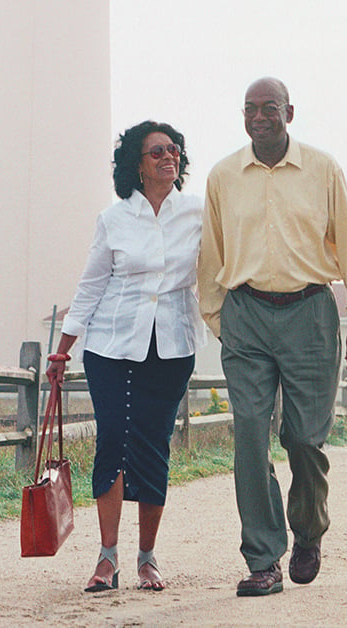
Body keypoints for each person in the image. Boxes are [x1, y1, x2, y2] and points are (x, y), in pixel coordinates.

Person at [198, 77, 347, 596]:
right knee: (251, 436)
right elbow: (210, 257)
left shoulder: (323, 169)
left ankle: (308, 529)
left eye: (270, 108)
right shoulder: (222, 176)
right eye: (251, 109)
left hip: (311, 314)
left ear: (289, 113)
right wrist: (222, 319)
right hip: (247, 314)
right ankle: (262, 558)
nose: (260, 117)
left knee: (303, 438)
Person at [46, 120, 206, 592]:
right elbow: (92, 285)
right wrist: (62, 351)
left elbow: (217, 271)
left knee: (154, 445)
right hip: (111, 347)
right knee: (112, 440)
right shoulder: (113, 219)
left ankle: (147, 558)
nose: (168, 158)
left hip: (172, 348)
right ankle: (107, 557)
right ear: (136, 165)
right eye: (156, 152)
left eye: (174, 150)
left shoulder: (198, 213)